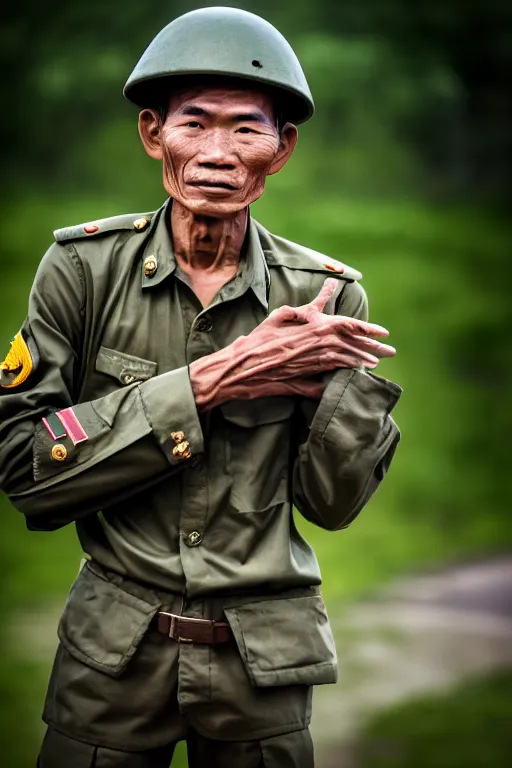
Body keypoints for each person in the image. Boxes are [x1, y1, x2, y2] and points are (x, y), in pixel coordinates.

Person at [0, 7, 401, 768]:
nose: (218, 153)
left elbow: (334, 505)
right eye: (196, 123)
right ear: (154, 134)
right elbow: (25, 471)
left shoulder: (326, 297)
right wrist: (219, 377)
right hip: (109, 661)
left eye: (246, 129)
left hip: (264, 668)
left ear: (280, 150)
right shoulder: (83, 271)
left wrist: (330, 396)